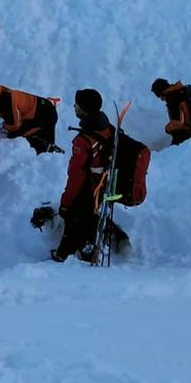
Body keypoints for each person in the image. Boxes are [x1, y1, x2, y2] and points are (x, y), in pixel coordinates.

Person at [52, 89, 114, 262]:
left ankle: (64, 255)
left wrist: (66, 202)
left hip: (88, 188)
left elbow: (76, 175)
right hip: (102, 184)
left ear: (84, 109)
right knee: (88, 218)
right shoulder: (107, 127)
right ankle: (86, 246)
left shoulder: (83, 140)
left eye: (77, 104)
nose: (74, 106)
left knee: (71, 216)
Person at [0, 76, 59, 153]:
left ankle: (49, 153)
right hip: (43, 108)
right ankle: (48, 151)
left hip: (46, 115)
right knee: (21, 134)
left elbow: (15, 125)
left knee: (19, 135)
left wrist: (4, 126)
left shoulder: (5, 101)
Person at [151, 78, 191, 146]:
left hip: (189, 134)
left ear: (164, 92)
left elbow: (185, 123)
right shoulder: (181, 89)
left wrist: (168, 128)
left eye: (161, 97)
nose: (163, 100)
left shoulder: (173, 98)